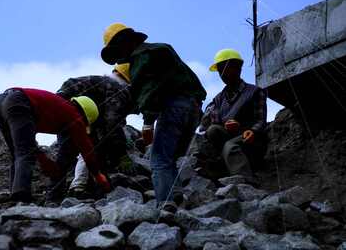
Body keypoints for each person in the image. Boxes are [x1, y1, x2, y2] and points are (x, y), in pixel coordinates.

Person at [100, 23, 206, 204]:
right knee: (169, 155)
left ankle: (166, 204)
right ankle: (177, 195)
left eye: (117, 53)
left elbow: (149, 90)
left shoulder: (141, 57)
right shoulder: (162, 48)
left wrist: (148, 122)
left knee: (158, 160)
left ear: (123, 43)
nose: (119, 60)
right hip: (194, 108)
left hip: (173, 107)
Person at [0, 87, 111, 203]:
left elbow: (29, 144)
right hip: (18, 101)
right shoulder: (74, 115)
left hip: (0, 104)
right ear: (85, 117)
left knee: (17, 153)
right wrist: (98, 175)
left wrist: (44, 161)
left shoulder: (61, 107)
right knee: (24, 153)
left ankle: (15, 193)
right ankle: (21, 196)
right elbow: (87, 149)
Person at [56, 64, 134, 197]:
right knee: (90, 148)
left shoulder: (101, 84)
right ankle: (80, 187)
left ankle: (63, 192)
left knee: (69, 152)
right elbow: (112, 122)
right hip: (74, 113)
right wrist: (121, 153)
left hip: (60, 106)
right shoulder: (117, 89)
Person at [198, 49, 267, 178]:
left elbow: (260, 120)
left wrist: (251, 130)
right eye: (219, 70)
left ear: (237, 68)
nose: (222, 74)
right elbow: (207, 127)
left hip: (252, 141)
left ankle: (244, 180)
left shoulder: (255, 92)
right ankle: (223, 166)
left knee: (230, 146)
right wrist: (224, 125)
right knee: (213, 130)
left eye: (225, 68)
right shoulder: (218, 99)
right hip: (228, 138)